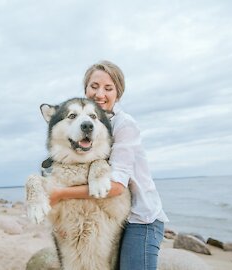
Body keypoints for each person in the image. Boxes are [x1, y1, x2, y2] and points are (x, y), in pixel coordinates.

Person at [49, 60, 169, 269]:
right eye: (94, 86)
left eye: (108, 88)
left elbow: (116, 186)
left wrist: (60, 194)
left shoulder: (124, 125)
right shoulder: (83, 125)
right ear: (85, 89)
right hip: (109, 215)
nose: (100, 94)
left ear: (118, 94)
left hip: (140, 218)